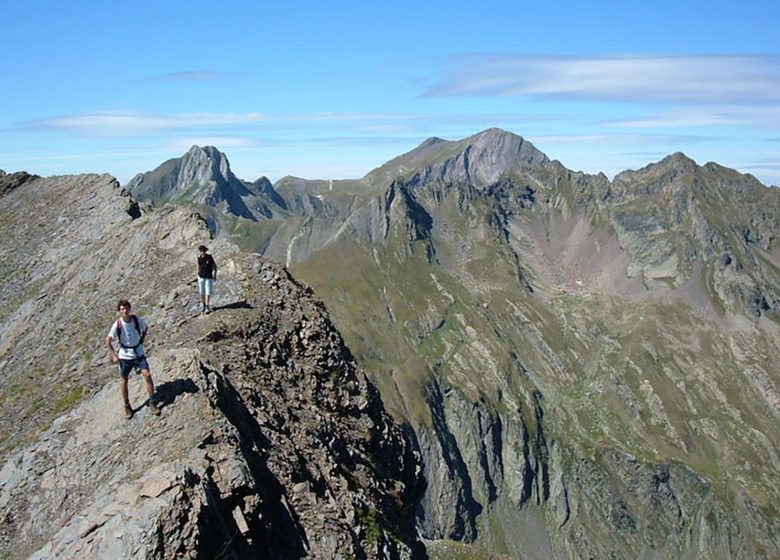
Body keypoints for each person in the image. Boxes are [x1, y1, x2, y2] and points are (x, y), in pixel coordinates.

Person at [106, 300, 160, 419]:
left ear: (129, 309)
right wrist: (114, 355)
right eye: (122, 309)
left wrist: (141, 340)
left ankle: (152, 402)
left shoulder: (136, 319)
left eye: (126, 308)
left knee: (147, 374)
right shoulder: (117, 324)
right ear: (119, 311)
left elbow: (145, 328)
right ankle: (127, 405)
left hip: (138, 353)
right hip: (125, 356)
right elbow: (108, 340)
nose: (125, 311)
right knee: (124, 380)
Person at [197, 245, 218, 314]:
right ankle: (204, 305)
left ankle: (207, 306)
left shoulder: (209, 257)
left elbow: (214, 266)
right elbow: (198, 266)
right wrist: (198, 275)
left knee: (208, 292)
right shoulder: (199, 258)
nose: (202, 252)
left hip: (208, 277)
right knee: (202, 292)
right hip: (201, 277)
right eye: (201, 251)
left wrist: (214, 275)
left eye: (203, 251)